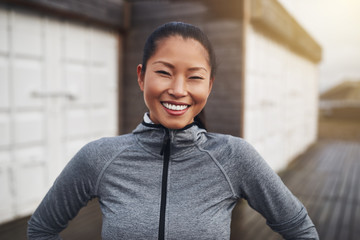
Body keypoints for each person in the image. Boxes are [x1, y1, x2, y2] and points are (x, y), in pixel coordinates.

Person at [27, 22, 319, 239]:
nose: (178, 90)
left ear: (209, 85)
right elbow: (42, 227)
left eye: (194, 77)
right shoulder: (99, 157)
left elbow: (297, 226)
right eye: (164, 72)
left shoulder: (234, 156)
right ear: (142, 77)